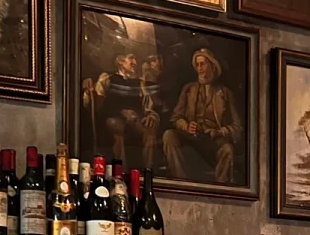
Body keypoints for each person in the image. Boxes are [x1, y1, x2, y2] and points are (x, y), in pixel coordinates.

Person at [162, 48, 242, 183]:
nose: (199, 69)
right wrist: (186, 126)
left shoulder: (225, 93)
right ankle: (181, 182)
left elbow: (237, 128)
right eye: (197, 65)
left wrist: (219, 132)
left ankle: (220, 189)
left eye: (203, 64)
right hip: (191, 137)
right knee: (169, 135)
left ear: (213, 66)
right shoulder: (189, 89)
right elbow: (176, 117)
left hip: (214, 140)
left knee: (227, 149)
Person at [82, 49, 162, 169]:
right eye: (131, 58)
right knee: (116, 127)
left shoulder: (139, 83)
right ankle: (120, 171)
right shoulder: (107, 78)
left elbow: (148, 105)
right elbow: (96, 103)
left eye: (135, 59)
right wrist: (89, 92)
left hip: (135, 119)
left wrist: (151, 116)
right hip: (114, 118)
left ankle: (148, 171)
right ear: (120, 61)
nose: (135, 62)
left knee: (149, 134)